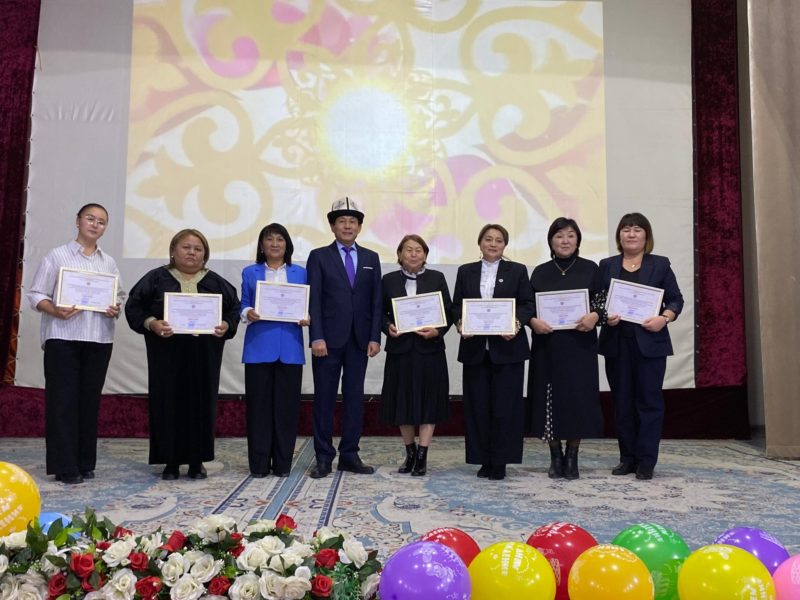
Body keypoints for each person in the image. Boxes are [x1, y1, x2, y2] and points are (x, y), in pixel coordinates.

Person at [125, 229, 240, 480]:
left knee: (201, 404)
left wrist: (226, 324)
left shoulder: (216, 282)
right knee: (167, 402)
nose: (192, 253)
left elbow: (234, 309)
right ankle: (171, 460)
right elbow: (134, 306)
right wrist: (152, 323)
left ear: (205, 254)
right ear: (173, 251)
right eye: (186, 247)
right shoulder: (156, 278)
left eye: (198, 249)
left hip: (204, 354)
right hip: (167, 354)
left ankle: (197, 461)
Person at [27, 203, 123, 485]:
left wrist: (115, 307)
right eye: (90, 219)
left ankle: (84, 462)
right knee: (62, 402)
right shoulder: (57, 256)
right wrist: (55, 310)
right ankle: (64, 465)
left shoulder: (108, 262)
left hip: (99, 338)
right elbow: (36, 294)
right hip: (63, 337)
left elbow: (119, 295)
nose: (95, 225)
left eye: (101, 222)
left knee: (89, 402)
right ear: (78, 221)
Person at [598, 212, 684, 480]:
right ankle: (628, 458)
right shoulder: (607, 265)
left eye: (637, 229)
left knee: (648, 402)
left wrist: (664, 318)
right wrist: (604, 316)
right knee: (622, 402)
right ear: (619, 236)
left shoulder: (660, 265)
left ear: (646, 235)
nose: (631, 234)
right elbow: (598, 301)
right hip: (617, 344)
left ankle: (646, 461)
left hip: (650, 344)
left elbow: (676, 300)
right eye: (626, 229)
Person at [306, 197, 382, 478]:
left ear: (359, 227)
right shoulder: (319, 256)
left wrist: (375, 336)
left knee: (354, 398)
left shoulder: (371, 258)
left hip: (359, 340)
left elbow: (376, 301)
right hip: (327, 341)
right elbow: (314, 299)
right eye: (342, 221)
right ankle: (323, 457)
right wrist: (316, 336)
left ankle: (350, 455)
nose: (347, 226)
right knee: (324, 399)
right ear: (332, 226)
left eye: (352, 221)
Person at [452, 224, 533, 480]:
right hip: (475, 349)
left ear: (505, 245)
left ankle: (501, 460)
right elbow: (456, 306)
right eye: (488, 239)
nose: (493, 244)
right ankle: (482, 459)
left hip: (508, 349)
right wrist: (461, 324)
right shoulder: (465, 271)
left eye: (499, 240)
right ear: (480, 243)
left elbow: (527, 304)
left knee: (506, 407)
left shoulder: (517, 271)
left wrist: (516, 324)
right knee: (477, 406)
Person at [528, 217, 604, 480]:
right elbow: (528, 306)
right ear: (551, 241)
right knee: (548, 398)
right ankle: (555, 455)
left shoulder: (591, 269)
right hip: (547, 345)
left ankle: (572, 455)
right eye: (559, 236)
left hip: (580, 346)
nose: (565, 241)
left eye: (571, 235)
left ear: (578, 240)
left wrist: (595, 315)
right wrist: (532, 321)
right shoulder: (540, 272)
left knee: (577, 399)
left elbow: (602, 302)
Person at [240, 223, 308, 478]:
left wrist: (307, 316)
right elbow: (243, 304)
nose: (275, 244)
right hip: (258, 348)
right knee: (258, 409)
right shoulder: (250, 272)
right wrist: (248, 312)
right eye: (269, 239)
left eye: (280, 239)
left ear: (287, 245)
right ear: (261, 245)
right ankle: (258, 465)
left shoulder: (301, 273)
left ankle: (282, 465)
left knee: (286, 411)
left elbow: (308, 304)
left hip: (290, 349)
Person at [381, 234, 452, 477]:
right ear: (399, 254)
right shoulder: (388, 280)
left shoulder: (437, 278)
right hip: (400, 350)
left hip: (429, 350)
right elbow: (380, 312)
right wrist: (387, 327)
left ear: (425, 255)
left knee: (428, 403)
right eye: (408, 249)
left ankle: (422, 456)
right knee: (403, 402)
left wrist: (437, 331)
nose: (413, 254)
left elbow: (448, 312)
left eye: (418, 250)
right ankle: (410, 453)